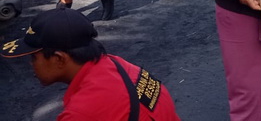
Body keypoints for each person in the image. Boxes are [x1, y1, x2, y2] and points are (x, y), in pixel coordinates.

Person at [1, 8, 180, 120]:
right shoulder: (115, 63)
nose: (31, 65)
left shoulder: (82, 113)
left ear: (59, 58)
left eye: (33, 57)